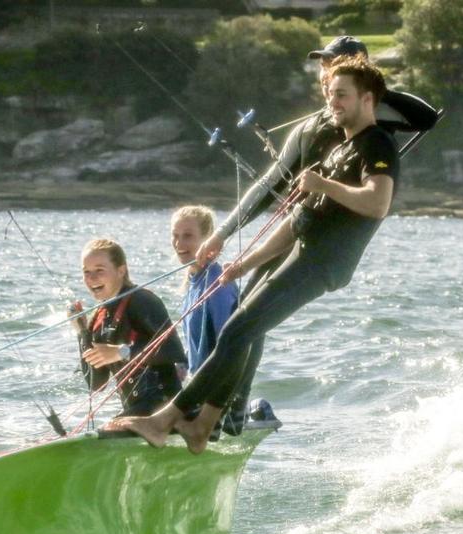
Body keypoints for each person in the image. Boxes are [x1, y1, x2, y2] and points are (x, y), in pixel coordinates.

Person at [115, 58, 399, 453]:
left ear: (367, 99)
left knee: (236, 331)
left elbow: (378, 202)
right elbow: (296, 223)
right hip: (304, 250)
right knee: (239, 329)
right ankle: (201, 427)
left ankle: (165, 421)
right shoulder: (340, 147)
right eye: (329, 93)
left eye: (341, 94)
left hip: (323, 263)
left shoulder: (377, 143)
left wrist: (323, 184)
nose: (331, 101)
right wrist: (242, 265)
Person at [200, 36, 437, 434]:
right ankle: (224, 404)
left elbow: (427, 118)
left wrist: (369, 83)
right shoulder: (312, 127)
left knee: (249, 322)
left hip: (324, 241)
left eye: (337, 64)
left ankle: (231, 408)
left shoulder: (375, 117)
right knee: (244, 314)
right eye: (324, 65)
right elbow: (268, 183)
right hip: (294, 226)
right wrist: (223, 233)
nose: (325, 70)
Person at [74, 238, 186, 418]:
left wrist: (122, 352)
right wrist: (83, 333)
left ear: (121, 270)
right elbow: (97, 384)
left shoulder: (142, 300)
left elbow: (174, 351)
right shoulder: (99, 316)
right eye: (86, 272)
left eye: (99, 270)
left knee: (110, 431)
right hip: (136, 413)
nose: (91, 278)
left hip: (166, 409)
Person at [170, 205, 238, 375]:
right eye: (175, 235)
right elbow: (199, 344)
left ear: (208, 238)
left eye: (188, 236)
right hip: (198, 384)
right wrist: (184, 364)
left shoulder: (218, 283)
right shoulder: (193, 281)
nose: (178, 243)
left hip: (215, 390)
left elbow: (228, 346)